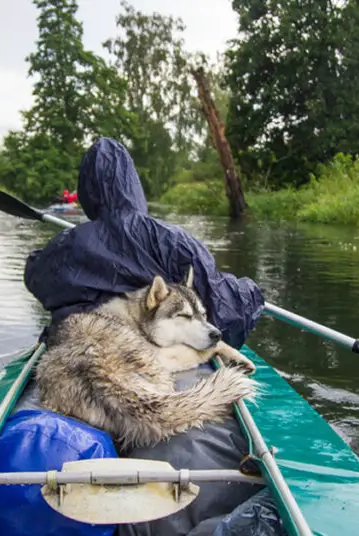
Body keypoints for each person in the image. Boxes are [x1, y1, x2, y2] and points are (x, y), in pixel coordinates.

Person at [23, 137, 269, 536]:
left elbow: (35, 277)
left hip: (76, 354)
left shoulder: (67, 244)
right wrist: (252, 293)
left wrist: (61, 249)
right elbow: (224, 309)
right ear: (133, 185)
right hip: (130, 356)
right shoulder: (169, 239)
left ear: (86, 193)